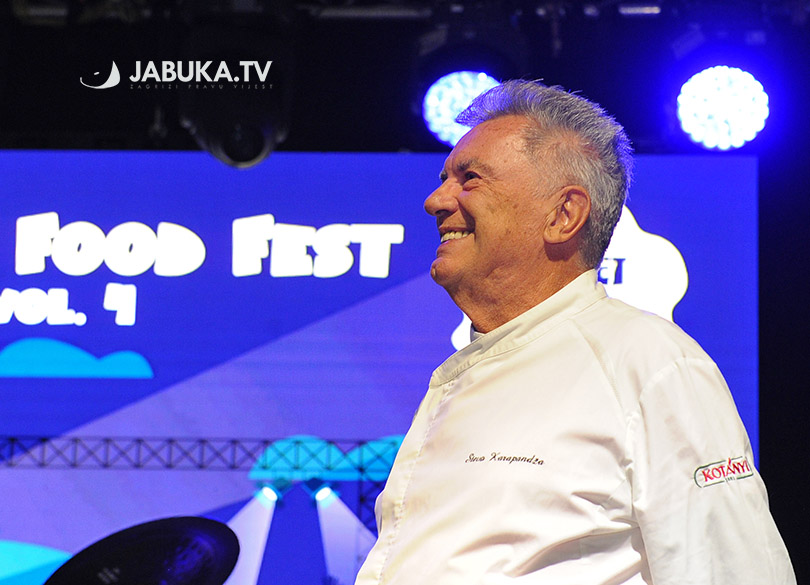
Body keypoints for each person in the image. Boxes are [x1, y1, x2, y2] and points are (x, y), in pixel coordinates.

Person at [354, 80, 796, 585]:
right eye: (444, 179)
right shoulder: (462, 376)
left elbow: (736, 573)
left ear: (563, 216)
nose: (435, 200)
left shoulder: (652, 363)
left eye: (469, 178)